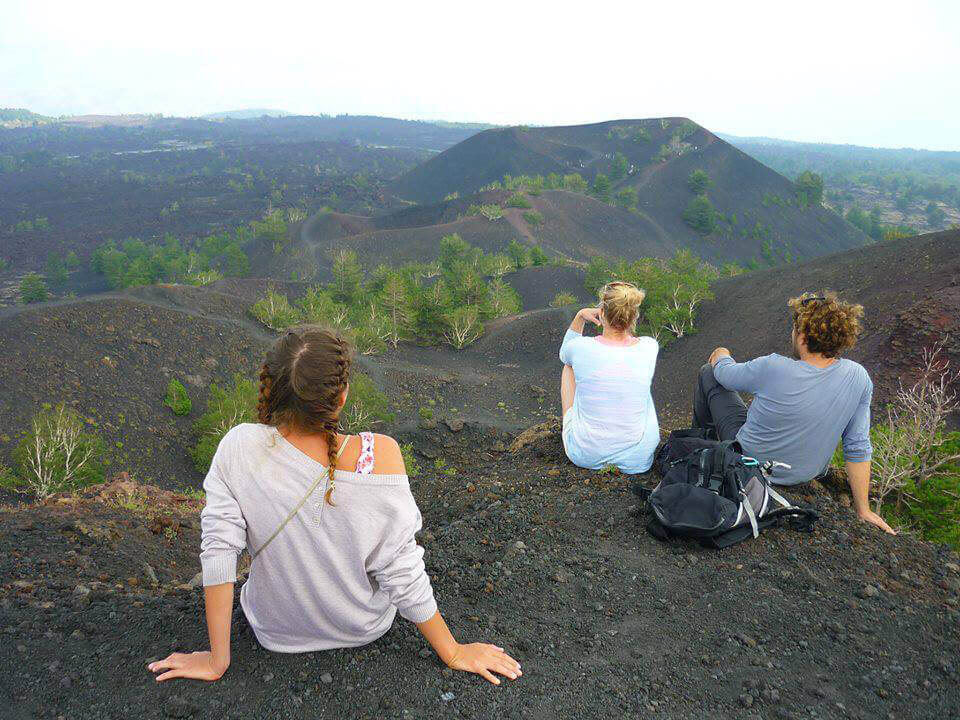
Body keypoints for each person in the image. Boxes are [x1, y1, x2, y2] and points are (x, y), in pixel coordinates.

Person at [147, 327, 522, 685]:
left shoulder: (238, 447)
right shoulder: (382, 456)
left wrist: (217, 659)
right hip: (362, 628)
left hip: (274, 630)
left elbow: (219, 550)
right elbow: (399, 568)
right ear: (340, 396)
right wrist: (452, 651)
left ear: (271, 389)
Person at [693, 291, 895, 534]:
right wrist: (863, 509)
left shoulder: (774, 366)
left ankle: (700, 449)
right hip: (803, 474)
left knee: (708, 371)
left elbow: (724, 375)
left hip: (750, 463)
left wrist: (721, 354)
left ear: (802, 337)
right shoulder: (858, 377)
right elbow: (857, 444)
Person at [559, 281, 660, 474]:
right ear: (634, 316)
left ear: (602, 313)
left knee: (569, 366)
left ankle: (576, 427)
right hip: (637, 461)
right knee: (635, 384)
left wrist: (580, 316)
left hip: (584, 455)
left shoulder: (580, 347)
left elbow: (564, 354)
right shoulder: (649, 346)